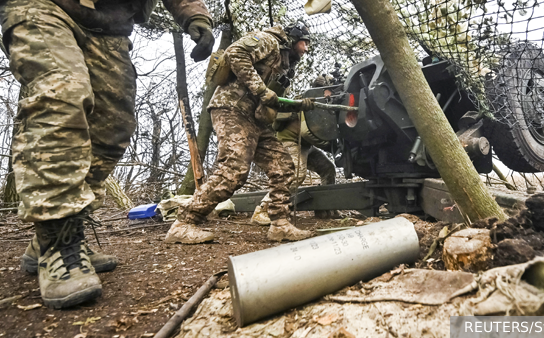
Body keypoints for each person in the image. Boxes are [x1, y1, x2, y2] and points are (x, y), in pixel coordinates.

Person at [1, 0, 215, 309]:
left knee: (114, 125)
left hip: (110, 22)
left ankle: (53, 236)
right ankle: (59, 237)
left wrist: (194, 14)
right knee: (61, 97)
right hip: (43, 6)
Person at [165, 22, 314, 244]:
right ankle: (184, 223)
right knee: (234, 168)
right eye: (305, 43)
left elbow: (272, 100)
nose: (306, 49)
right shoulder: (269, 41)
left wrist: (298, 105)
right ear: (293, 39)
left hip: (254, 117)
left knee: (282, 164)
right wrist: (262, 90)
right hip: (232, 109)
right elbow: (235, 53)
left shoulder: (284, 62)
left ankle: (280, 225)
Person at [251, 75, 339, 225]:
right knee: (295, 175)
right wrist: (332, 147)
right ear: (323, 90)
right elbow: (307, 133)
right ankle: (263, 209)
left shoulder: (321, 102)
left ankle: (325, 207)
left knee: (328, 169)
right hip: (290, 141)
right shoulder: (308, 101)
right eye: (331, 91)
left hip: (305, 145)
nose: (333, 94)